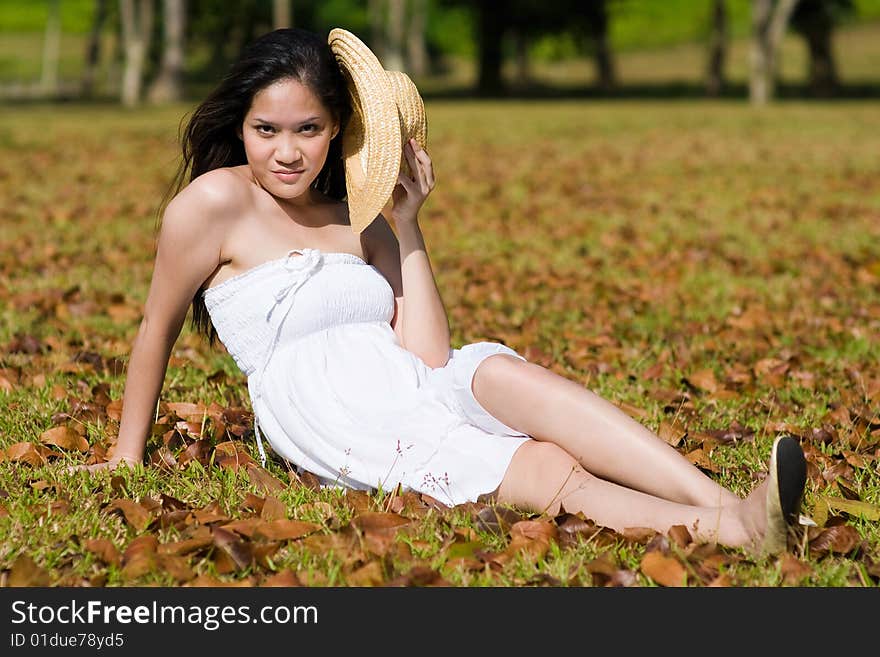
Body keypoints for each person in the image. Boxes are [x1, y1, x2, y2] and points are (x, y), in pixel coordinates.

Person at [69, 27, 807, 556]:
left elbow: (426, 356)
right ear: (242, 124)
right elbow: (154, 328)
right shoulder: (211, 205)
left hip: (400, 379)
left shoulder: (361, 217)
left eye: (307, 129)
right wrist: (128, 453)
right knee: (538, 466)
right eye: (266, 129)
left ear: (337, 132)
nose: (286, 150)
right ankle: (734, 530)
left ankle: (721, 499)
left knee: (496, 369)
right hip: (328, 406)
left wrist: (408, 224)